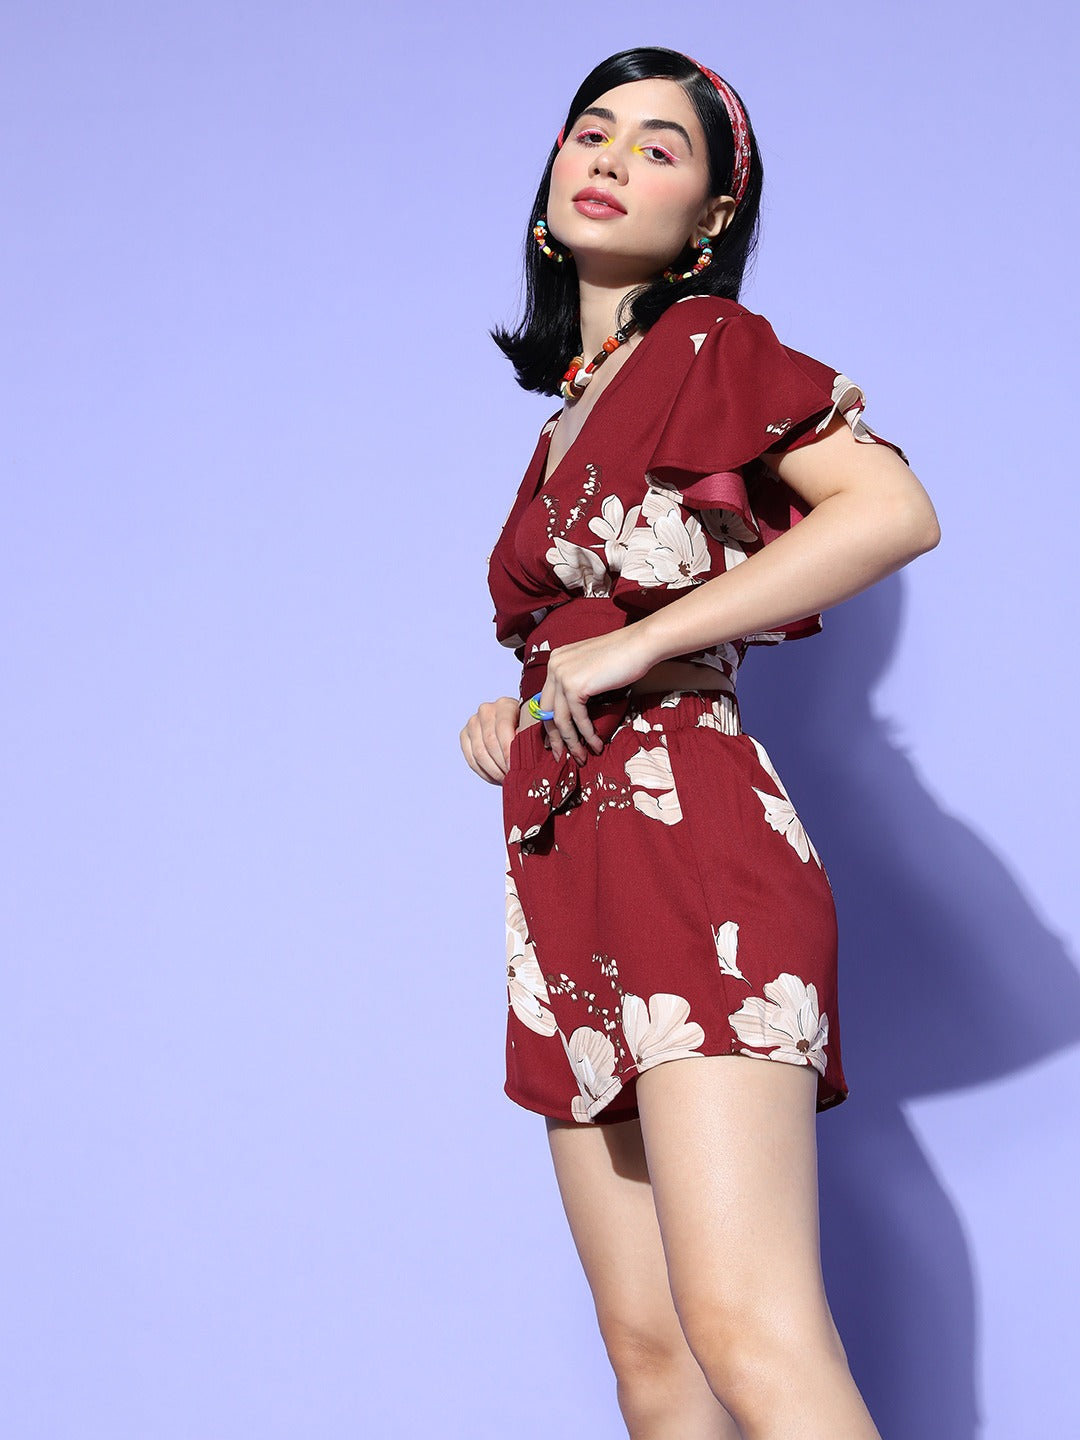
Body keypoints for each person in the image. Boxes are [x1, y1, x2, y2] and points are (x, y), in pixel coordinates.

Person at [460, 45, 940, 1440]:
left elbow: (891, 510)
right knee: (654, 1363)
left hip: (698, 851)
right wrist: (518, 703)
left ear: (712, 215)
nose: (611, 158)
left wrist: (639, 647)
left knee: (748, 1328)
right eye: (592, 131)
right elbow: (579, 626)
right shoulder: (569, 416)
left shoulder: (706, 346)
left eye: (659, 146)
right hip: (567, 868)